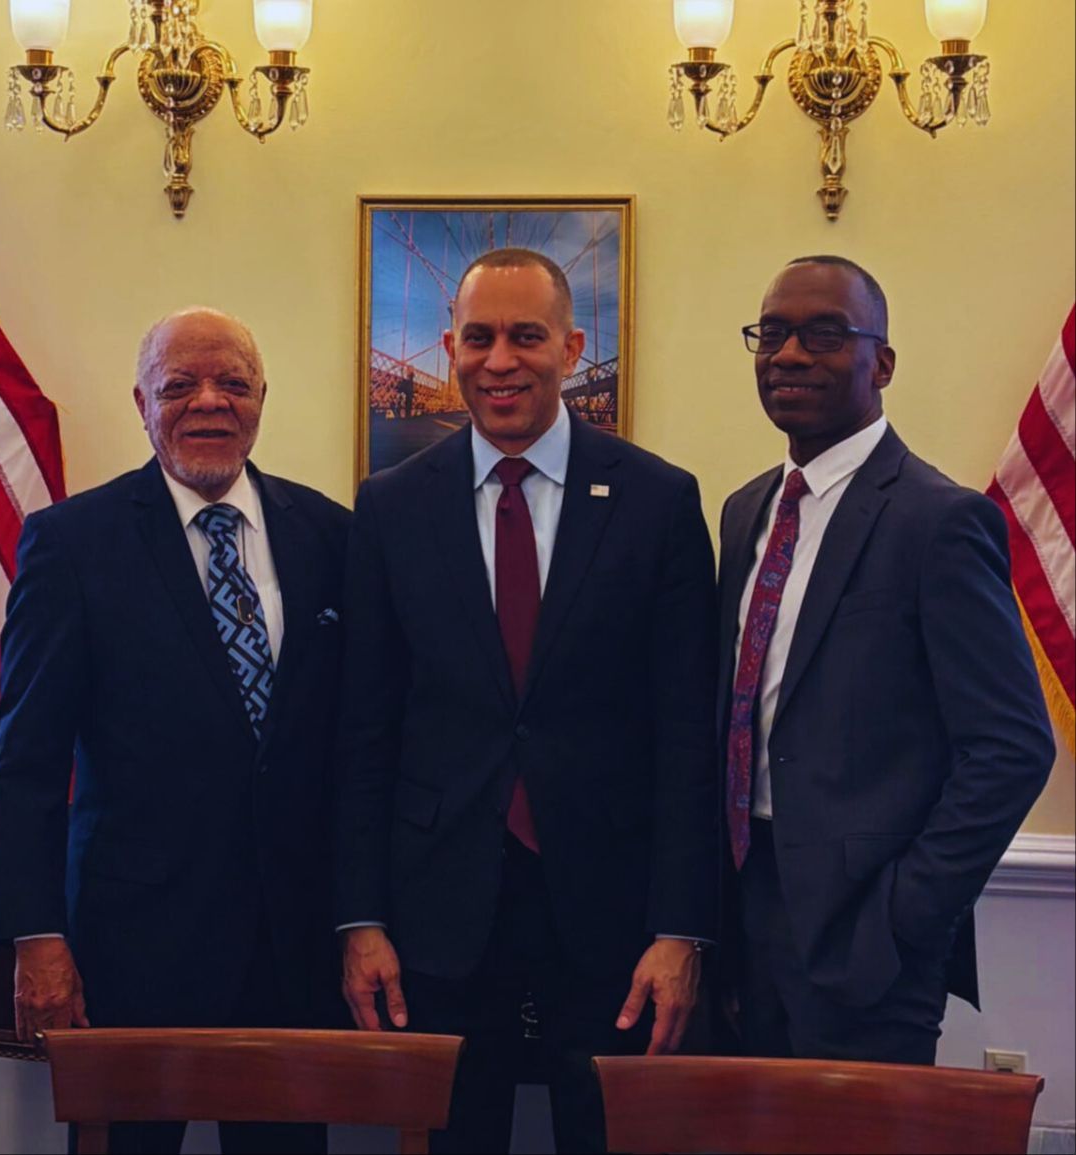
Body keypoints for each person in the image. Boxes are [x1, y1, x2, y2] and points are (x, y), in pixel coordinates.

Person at [335, 248, 719, 1154]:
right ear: (448, 347)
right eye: (478, 337)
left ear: (574, 347)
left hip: (613, 911)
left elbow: (686, 739)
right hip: (437, 913)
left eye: (526, 335)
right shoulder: (389, 507)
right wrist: (360, 918)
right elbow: (363, 729)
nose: (499, 359)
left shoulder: (657, 500)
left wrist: (681, 928)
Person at [0, 307, 350, 1154]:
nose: (208, 403)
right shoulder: (72, 544)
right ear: (141, 402)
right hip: (133, 952)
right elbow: (26, 763)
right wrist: (38, 939)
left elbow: (353, 745)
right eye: (180, 385)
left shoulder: (331, 535)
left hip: (293, 952)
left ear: (262, 397)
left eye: (231, 382)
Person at [717, 256, 1054, 1064]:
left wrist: (905, 912)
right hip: (741, 922)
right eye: (772, 333)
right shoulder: (743, 510)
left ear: (883, 363)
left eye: (824, 334)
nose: (789, 354)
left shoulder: (939, 521)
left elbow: (1011, 747)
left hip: (867, 941)